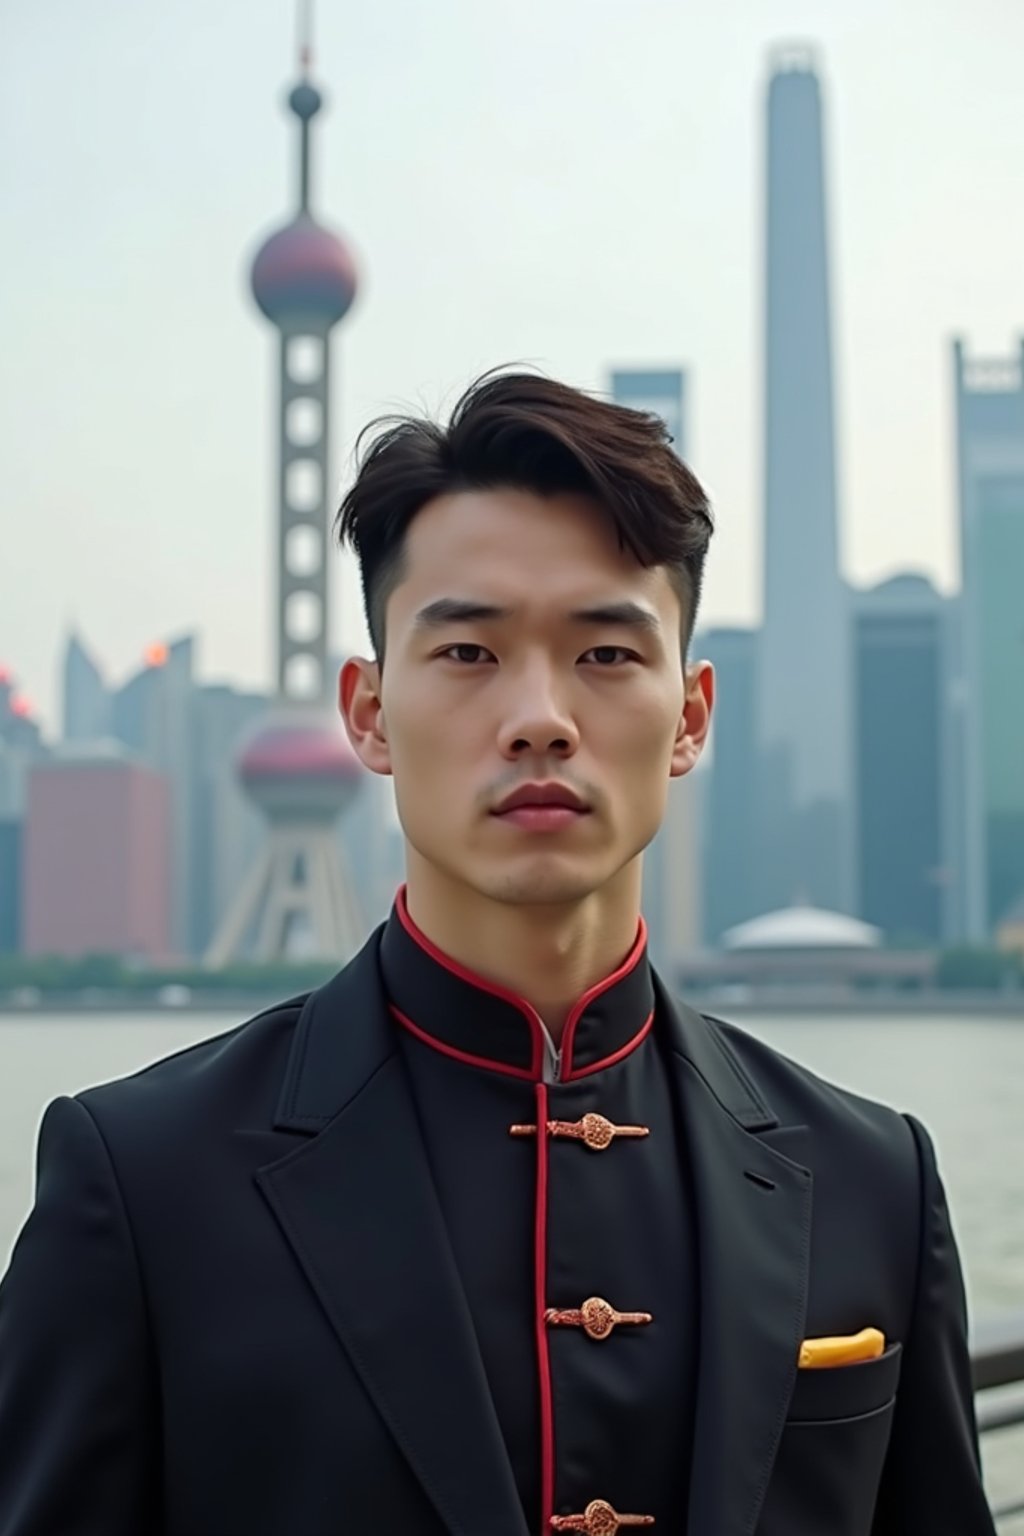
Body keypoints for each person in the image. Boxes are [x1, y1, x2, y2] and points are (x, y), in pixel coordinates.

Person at [0, 372, 994, 1536]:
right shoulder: (143, 1181)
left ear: (691, 716)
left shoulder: (874, 1179)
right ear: (369, 713)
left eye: (608, 655)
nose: (540, 715)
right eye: (468, 652)